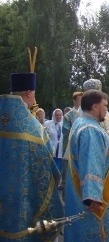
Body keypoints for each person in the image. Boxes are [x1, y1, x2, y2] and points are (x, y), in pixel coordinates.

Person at [64, 90, 109, 241]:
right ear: (95, 106)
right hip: (99, 200)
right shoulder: (91, 130)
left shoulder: (81, 122)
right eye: (105, 105)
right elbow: (91, 164)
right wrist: (94, 197)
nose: (107, 110)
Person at [0, 72, 63, 241]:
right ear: (28, 93)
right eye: (33, 94)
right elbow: (47, 160)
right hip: (20, 194)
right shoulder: (32, 127)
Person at [44, 109, 64, 173]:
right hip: (52, 149)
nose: (58, 117)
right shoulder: (48, 124)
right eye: (57, 115)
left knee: (60, 169)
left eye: (60, 115)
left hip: (60, 150)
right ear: (54, 116)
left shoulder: (63, 125)